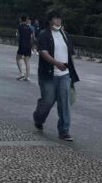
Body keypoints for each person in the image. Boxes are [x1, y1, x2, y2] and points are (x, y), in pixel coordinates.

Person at [33, 11, 79, 141]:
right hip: (48, 74)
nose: (58, 21)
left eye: (59, 19)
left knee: (64, 103)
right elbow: (43, 52)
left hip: (64, 75)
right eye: (55, 19)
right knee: (48, 100)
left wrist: (71, 71)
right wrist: (56, 63)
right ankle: (38, 118)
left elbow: (70, 54)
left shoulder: (65, 35)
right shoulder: (44, 35)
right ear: (50, 21)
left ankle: (64, 131)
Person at [16, 15, 33, 81]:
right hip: (28, 46)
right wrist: (31, 46)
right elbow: (31, 37)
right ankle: (27, 76)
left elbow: (18, 36)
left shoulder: (20, 27)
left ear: (21, 19)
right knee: (27, 61)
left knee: (18, 58)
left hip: (22, 45)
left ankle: (21, 73)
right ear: (26, 20)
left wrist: (18, 43)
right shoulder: (29, 28)